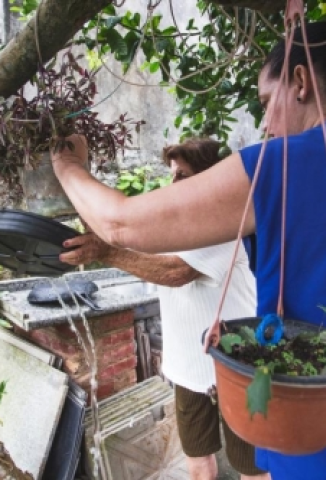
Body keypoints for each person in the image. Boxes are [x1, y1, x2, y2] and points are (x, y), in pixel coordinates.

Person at [51, 1, 326, 478]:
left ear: (299, 83)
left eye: (266, 103)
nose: (267, 125)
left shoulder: (281, 164)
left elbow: (120, 223)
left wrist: (67, 166)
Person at [60, 139, 269, 480]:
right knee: (198, 463)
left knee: (252, 471)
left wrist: (108, 253)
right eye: (172, 175)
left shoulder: (226, 226)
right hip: (188, 369)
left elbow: (176, 272)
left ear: (209, 180)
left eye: (183, 177)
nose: (173, 187)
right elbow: (128, 234)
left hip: (236, 369)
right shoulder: (179, 228)